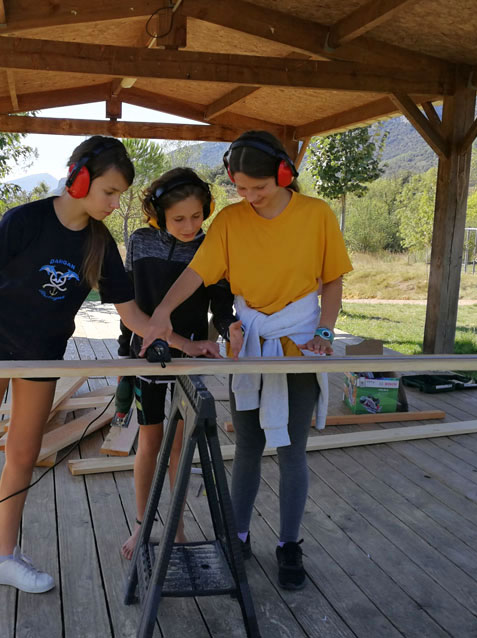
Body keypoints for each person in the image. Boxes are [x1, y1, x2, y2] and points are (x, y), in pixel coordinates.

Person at [0, 136, 201, 593]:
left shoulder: (100, 244)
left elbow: (132, 316)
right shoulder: (23, 221)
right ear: (79, 178)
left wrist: (183, 343)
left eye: (120, 195)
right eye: (108, 192)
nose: (113, 202)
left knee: (23, 455)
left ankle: (3, 555)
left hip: (42, 354)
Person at [140, 131, 352, 590]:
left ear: (283, 174)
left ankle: (289, 543)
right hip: (251, 344)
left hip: (297, 343)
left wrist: (324, 331)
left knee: (293, 448)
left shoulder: (316, 215)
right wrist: (160, 314)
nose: (251, 197)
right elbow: (197, 273)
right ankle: (237, 537)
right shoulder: (231, 222)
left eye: (260, 188)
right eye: (241, 189)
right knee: (250, 447)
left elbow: (332, 280)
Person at [116, 168, 235, 559]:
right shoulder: (139, 241)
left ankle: (177, 529)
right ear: (157, 215)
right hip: (146, 357)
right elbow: (128, 302)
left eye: (197, 216)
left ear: (208, 210)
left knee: (179, 448)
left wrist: (228, 328)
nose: (189, 226)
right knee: (149, 442)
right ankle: (142, 526)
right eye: (178, 218)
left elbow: (221, 305)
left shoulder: (212, 246)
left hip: (190, 357)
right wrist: (125, 350)